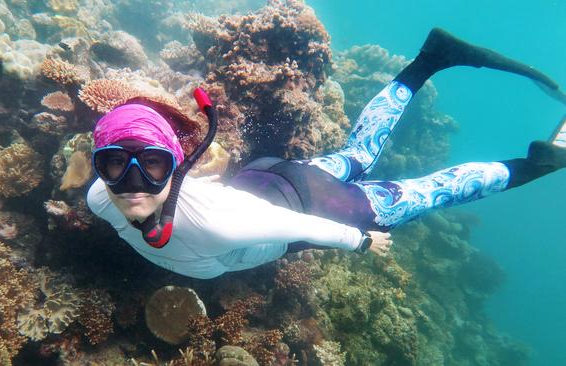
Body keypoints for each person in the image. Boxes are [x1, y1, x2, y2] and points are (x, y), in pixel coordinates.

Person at [87, 28, 566, 280]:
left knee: (428, 193)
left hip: (316, 207)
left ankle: (541, 163)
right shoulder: (97, 197)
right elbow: (122, 176)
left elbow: (301, 229)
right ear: (99, 167)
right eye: (113, 164)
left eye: (152, 166)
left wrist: (359, 241)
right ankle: (432, 58)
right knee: (358, 153)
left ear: (176, 162)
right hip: (271, 177)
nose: (130, 185)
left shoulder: (218, 222)